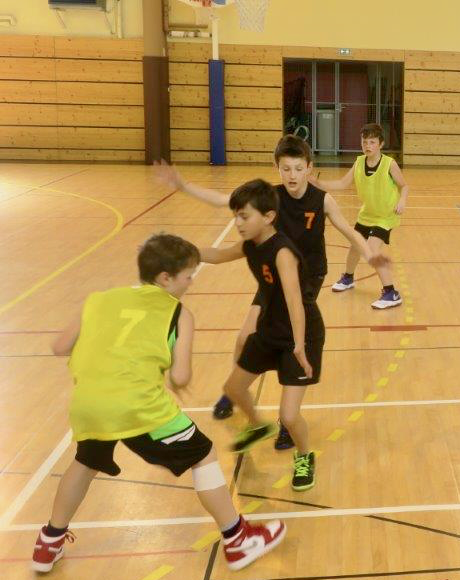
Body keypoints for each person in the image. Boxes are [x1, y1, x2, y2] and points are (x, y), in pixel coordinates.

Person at [33, 234, 286, 574]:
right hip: (139, 407)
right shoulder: (179, 313)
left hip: (88, 405)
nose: (191, 282)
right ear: (166, 278)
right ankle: (238, 539)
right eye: (188, 276)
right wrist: (177, 378)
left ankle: (49, 542)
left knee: (85, 462)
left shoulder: (99, 299)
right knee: (204, 454)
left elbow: (60, 346)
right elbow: (180, 376)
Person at [155, 136, 384, 436]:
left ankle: (288, 419)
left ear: (309, 168)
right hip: (272, 274)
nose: (292, 175)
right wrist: (183, 186)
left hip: (307, 278)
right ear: (277, 168)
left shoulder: (322, 200)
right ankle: (235, 391)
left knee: (290, 339)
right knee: (243, 338)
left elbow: (349, 232)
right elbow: (223, 200)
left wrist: (370, 255)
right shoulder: (270, 198)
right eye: (285, 169)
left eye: (298, 168)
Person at [199, 180, 327, 492]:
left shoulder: (282, 252)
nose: (238, 223)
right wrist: (174, 250)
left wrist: (300, 346)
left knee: (289, 416)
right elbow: (216, 255)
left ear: (268, 217)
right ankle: (257, 426)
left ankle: (304, 455)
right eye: (236, 216)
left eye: (244, 216)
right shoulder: (250, 245)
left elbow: (295, 301)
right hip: (270, 329)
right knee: (233, 388)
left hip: (301, 334)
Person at [312, 123, 408, 308]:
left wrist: (402, 200)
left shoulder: (389, 164)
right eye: (364, 142)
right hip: (367, 214)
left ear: (381, 144)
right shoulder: (359, 162)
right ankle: (348, 278)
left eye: (372, 142)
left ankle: (391, 293)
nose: (367, 146)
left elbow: (404, 186)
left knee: (372, 249)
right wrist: (318, 183)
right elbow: (342, 183)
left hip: (385, 216)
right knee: (355, 246)